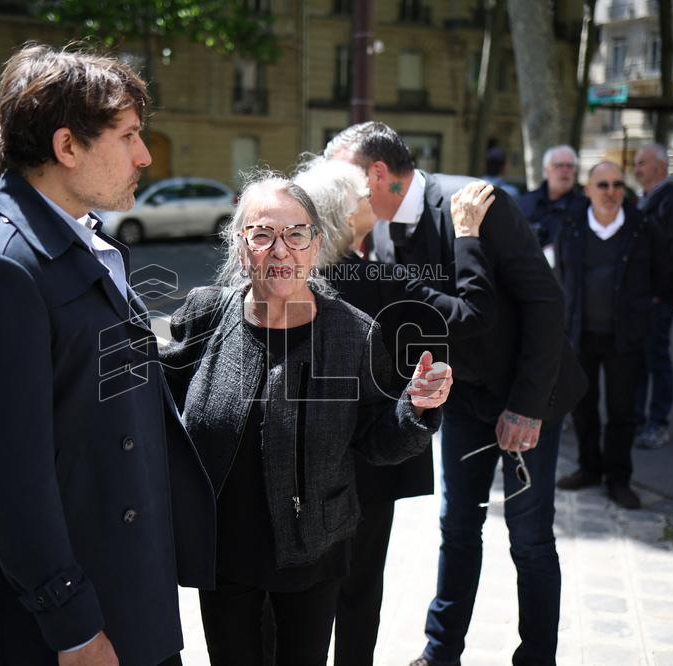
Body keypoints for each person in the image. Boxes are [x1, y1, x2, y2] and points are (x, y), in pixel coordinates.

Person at [0, 43, 215, 666]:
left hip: (123, 577)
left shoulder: (77, 233)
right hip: (72, 611)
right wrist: (73, 627)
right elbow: (11, 478)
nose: (145, 155)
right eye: (129, 136)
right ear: (67, 146)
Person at [159, 173, 452, 666]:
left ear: (315, 245)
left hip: (314, 552)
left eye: (296, 234)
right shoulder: (206, 316)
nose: (281, 250)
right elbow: (158, 407)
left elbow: (377, 442)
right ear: (240, 246)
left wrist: (415, 409)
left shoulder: (352, 335)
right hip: (224, 553)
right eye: (262, 234)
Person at [324, 122, 586, 666]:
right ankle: (441, 652)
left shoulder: (478, 205)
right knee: (458, 528)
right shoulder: (376, 227)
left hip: (527, 394)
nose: (336, 191)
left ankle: (537, 658)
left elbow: (545, 303)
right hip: (462, 397)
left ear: (377, 173)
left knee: (529, 537)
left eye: (342, 178)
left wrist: (526, 407)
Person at [293, 157, 498, 666]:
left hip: (299, 462)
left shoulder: (289, 281)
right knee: (359, 593)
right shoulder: (381, 280)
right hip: (370, 460)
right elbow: (471, 315)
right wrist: (467, 237)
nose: (372, 199)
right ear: (344, 216)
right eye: (361, 196)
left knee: (300, 596)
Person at [555, 161, 667, 510]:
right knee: (582, 406)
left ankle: (618, 478)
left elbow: (662, 272)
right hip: (580, 334)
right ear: (588, 189)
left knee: (622, 411)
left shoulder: (642, 227)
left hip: (625, 336)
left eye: (618, 184)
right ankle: (589, 468)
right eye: (602, 184)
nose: (610, 191)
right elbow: (560, 275)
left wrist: (645, 306)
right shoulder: (571, 226)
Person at [631, 144, 673, 450]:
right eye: (636, 163)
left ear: (660, 166)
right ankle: (637, 420)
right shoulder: (644, 199)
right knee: (638, 360)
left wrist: (660, 292)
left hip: (657, 299)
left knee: (656, 358)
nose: (637, 169)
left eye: (642, 163)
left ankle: (658, 423)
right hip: (640, 299)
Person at [516, 144, 586, 253]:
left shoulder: (584, 207)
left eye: (570, 166)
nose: (565, 170)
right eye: (559, 165)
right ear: (546, 170)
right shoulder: (525, 203)